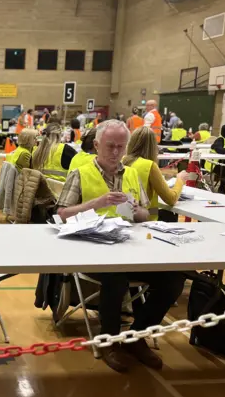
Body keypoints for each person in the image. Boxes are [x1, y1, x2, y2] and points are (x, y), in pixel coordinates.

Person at [56, 120, 185, 373]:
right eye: (110, 146)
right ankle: (109, 341)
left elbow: (144, 215)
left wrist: (139, 212)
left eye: (120, 147)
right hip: (93, 252)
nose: (116, 152)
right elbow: (62, 213)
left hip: (130, 249)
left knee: (173, 279)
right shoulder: (80, 173)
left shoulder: (133, 174)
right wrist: (96, 202)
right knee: (115, 279)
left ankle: (136, 336)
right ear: (96, 145)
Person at [123, 126, 189, 221]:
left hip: (125, 217)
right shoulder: (149, 166)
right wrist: (180, 180)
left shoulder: (122, 161)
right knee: (170, 215)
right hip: (145, 220)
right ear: (153, 146)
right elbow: (171, 199)